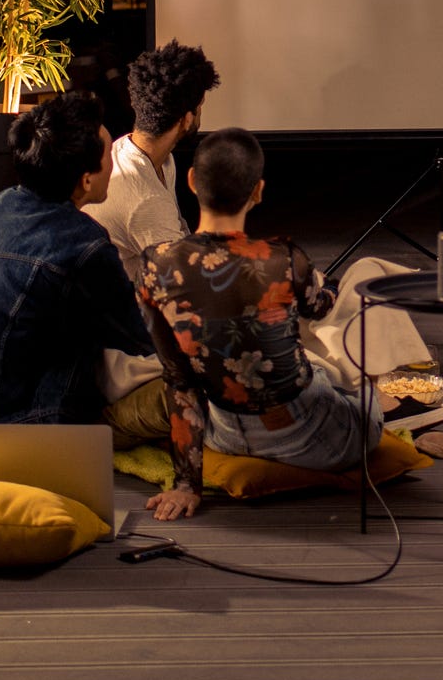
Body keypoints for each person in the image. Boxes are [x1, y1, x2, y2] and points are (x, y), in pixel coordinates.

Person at [136, 129, 384, 520]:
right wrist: (325, 288)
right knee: (367, 399)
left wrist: (187, 484)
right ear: (258, 191)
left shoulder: (155, 264)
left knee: (312, 369)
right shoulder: (283, 259)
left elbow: (178, 379)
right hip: (311, 435)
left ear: (190, 181)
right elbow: (320, 309)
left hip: (225, 433)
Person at [0, 92, 171, 448]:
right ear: (86, 180)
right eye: (109, 154)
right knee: (191, 374)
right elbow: (140, 337)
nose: (115, 159)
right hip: (29, 422)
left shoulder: (0, 204)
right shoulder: (84, 244)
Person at [102, 40, 219, 283]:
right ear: (187, 119)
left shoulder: (150, 157)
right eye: (200, 108)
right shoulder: (146, 200)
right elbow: (186, 281)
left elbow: (180, 235)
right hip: (134, 313)